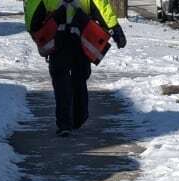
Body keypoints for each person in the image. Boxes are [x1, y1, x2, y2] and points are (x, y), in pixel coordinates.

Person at [25, 0, 127, 137]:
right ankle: (78, 117)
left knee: (60, 81)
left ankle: (64, 124)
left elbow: (33, 11)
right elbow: (101, 7)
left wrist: (34, 29)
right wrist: (115, 29)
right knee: (79, 78)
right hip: (82, 37)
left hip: (58, 38)